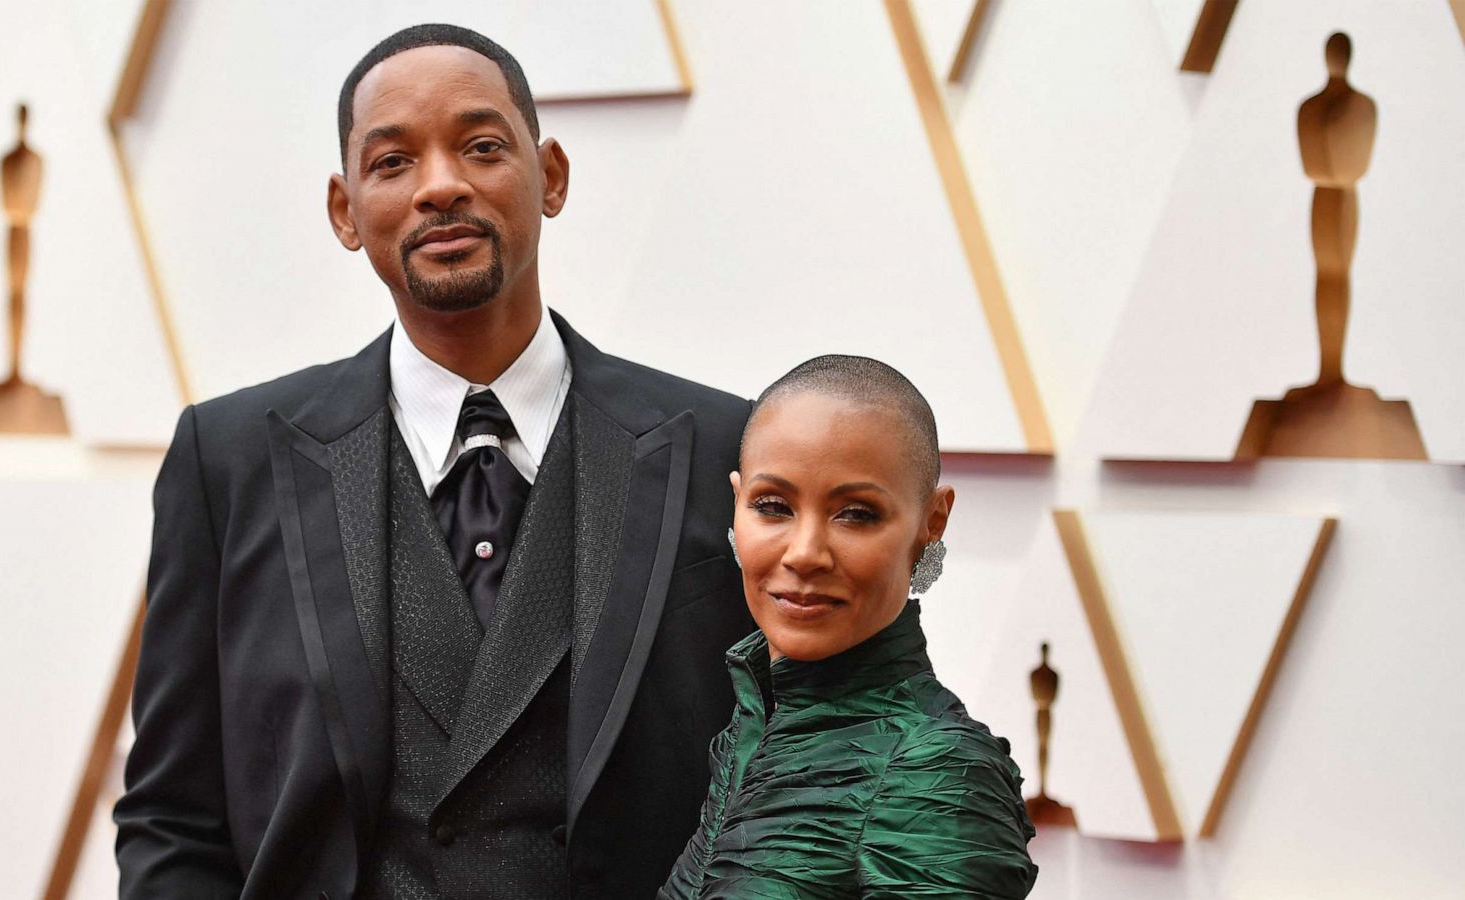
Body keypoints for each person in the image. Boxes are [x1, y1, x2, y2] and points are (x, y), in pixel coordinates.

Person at [113, 24, 752, 899]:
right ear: (344, 210)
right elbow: (174, 818)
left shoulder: (724, 449)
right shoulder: (226, 463)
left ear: (551, 175)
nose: (441, 187)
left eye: (482, 147)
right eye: (392, 163)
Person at [660, 356, 1037, 899]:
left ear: (932, 521)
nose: (805, 553)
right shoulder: (744, 734)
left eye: (856, 514)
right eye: (772, 506)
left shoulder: (937, 771)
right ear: (737, 501)